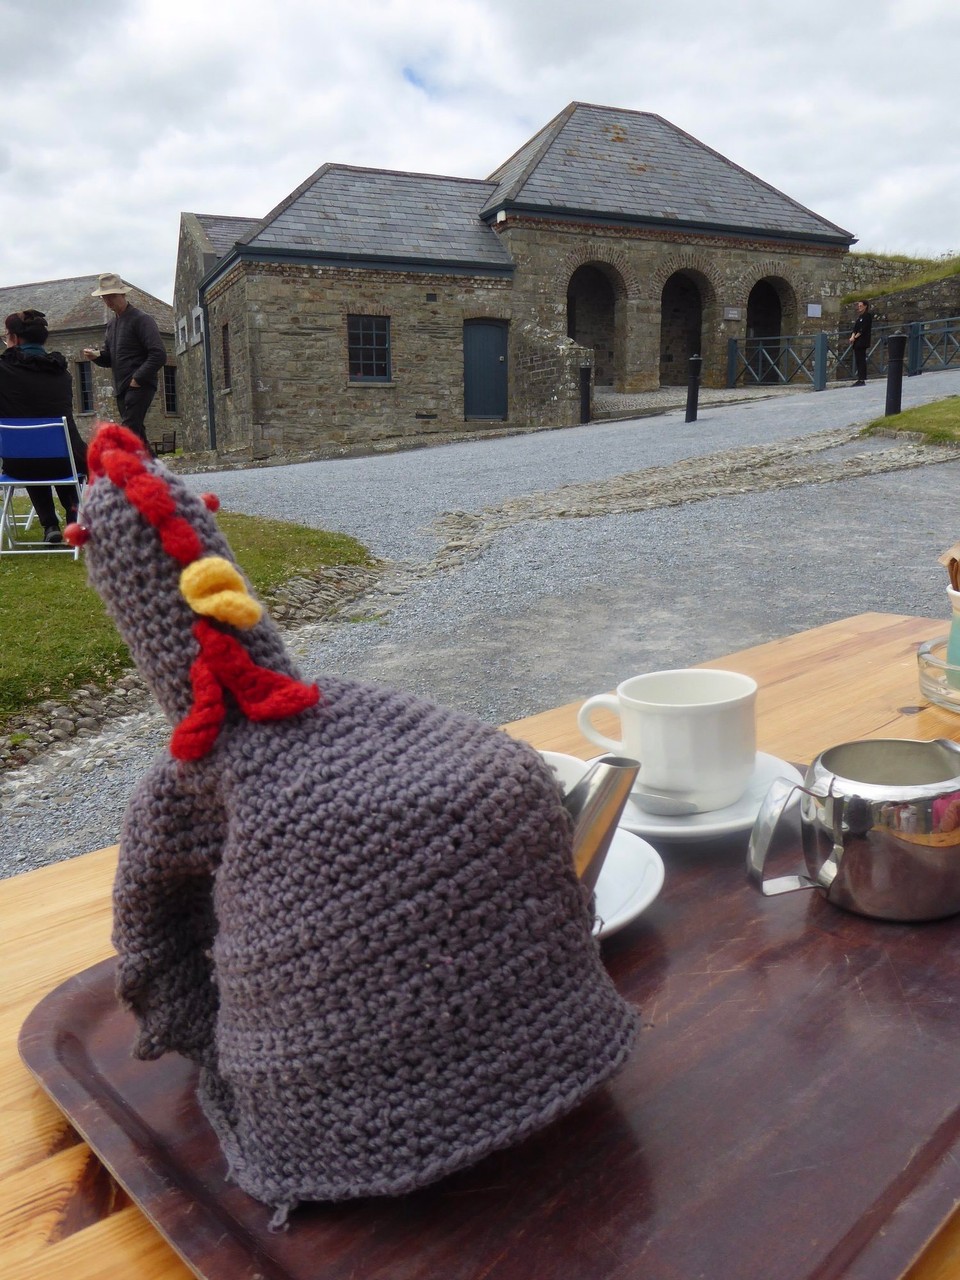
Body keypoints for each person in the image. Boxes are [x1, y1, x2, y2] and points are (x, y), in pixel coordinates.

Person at [0, 309, 87, 544]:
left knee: (29, 451)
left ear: (15, 339)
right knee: (69, 456)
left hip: (20, 462)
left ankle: (49, 524)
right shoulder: (62, 373)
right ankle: (73, 519)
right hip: (64, 460)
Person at [82, 272, 166, 445]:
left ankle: (120, 470)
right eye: (105, 297)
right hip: (122, 389)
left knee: (127, 433)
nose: (108, 301)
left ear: (123, 294)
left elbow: (159, 354)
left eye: (112, 296)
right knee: (137, 437)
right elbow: (110, 358)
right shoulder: (112, 325)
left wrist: (137, 379)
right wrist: (96, 356)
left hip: (140, 387)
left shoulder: (142, 320)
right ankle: (157, 470)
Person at [848, 299, 872, 386]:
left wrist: (854, 337)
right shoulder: (860, 317)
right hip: (857, 342)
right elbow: (855, 328)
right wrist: (852, 336)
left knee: (861, 360)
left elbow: (863, 329)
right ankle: (859, 378)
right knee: (858, 360)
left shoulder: (867, 316)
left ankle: (862, 379)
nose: (859, 307)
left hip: (862, 341)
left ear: (865, 306)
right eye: (858, 306)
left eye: (861, 306)